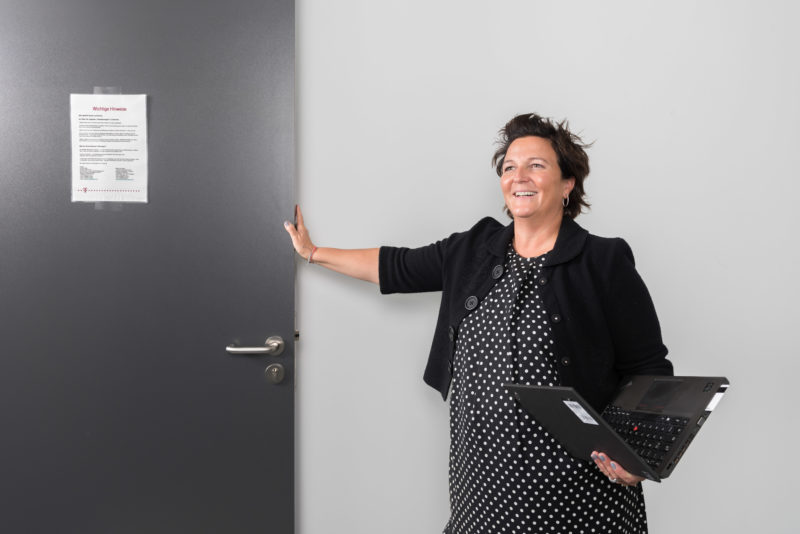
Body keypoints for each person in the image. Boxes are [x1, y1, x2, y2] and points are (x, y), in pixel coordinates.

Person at [284, 113, 672, 533]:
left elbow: (649, 368)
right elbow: (395, 266)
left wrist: (637, 455)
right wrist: (313, 252)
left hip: (575, 491)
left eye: (536, 165)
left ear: (567, 184)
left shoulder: (603, 261)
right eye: (509, 166)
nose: (518, 175)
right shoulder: (473, 249)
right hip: (482, 484)